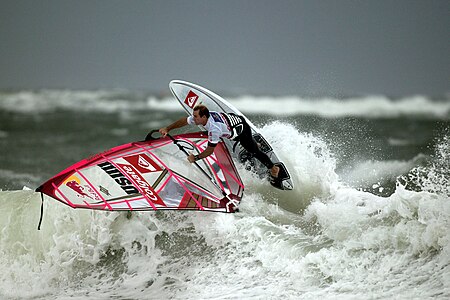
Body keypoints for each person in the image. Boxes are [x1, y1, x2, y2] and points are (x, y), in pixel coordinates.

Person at [158, 105, 280, 179]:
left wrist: (195, 157)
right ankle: (254, 143)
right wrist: (167, 129)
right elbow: (184, 121)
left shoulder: (214, 129)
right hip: (230, 121)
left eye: (196, 117)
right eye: (193, 116)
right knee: (240, 141)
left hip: (240, 129)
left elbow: (210, 151)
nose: (193, 119)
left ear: (204, 117)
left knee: (253, 151)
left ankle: (273, 168)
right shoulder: (204, 117)